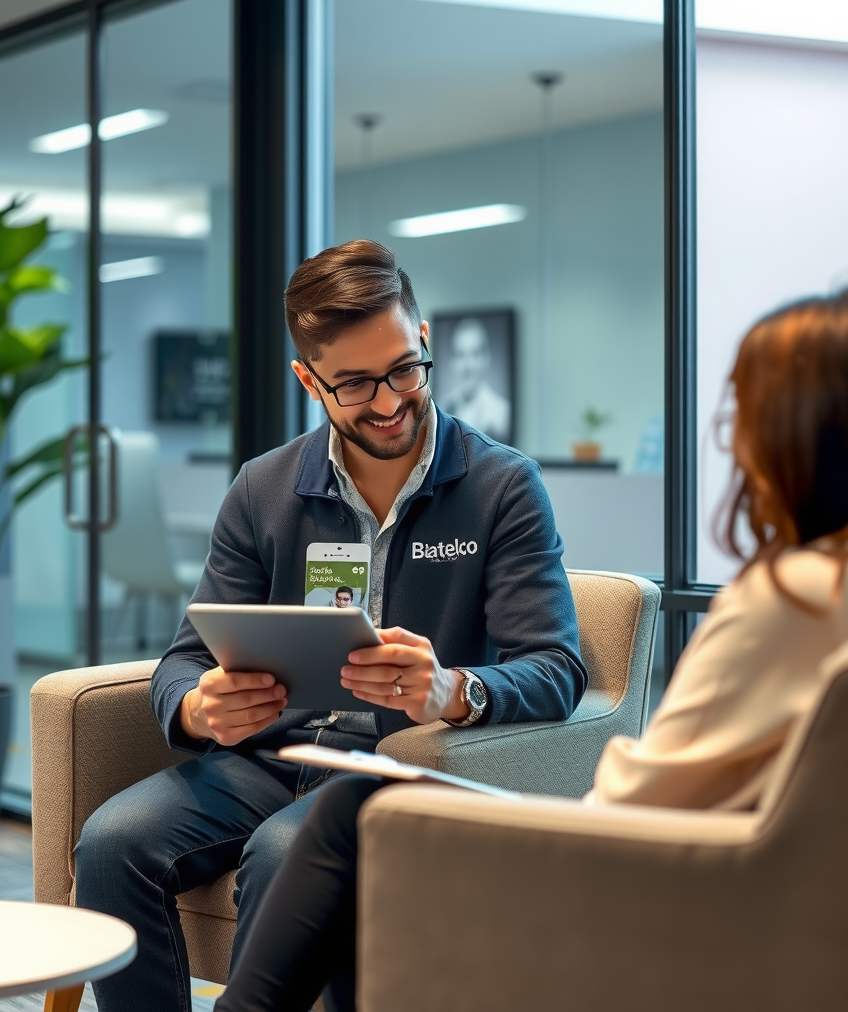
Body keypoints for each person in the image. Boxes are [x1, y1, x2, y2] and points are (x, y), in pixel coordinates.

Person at [215, 289, 848, 1011]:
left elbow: (640, 800)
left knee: (359, 808)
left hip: (650, 894)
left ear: (790, 439)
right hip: (829, 909)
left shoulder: (796, 599)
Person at [73, 240, 587, 1012]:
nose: (387, 402)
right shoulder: (265, 488)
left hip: (402, 764)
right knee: (112, 842)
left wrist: (455, 689)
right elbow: (182, 661)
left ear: (423, 341)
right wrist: (198, 705)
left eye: (404, 369)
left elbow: (556, 666)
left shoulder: (501, 486)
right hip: (273, 756)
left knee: (285, 853)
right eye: (353, 383)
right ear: (308, 380)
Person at [440, 318, 511, 441]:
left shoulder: (502, 412)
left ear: (487, 358)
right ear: (452, 361)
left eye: (475, 354)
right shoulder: (444, 408)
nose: (468, 365)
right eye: (460, 355)